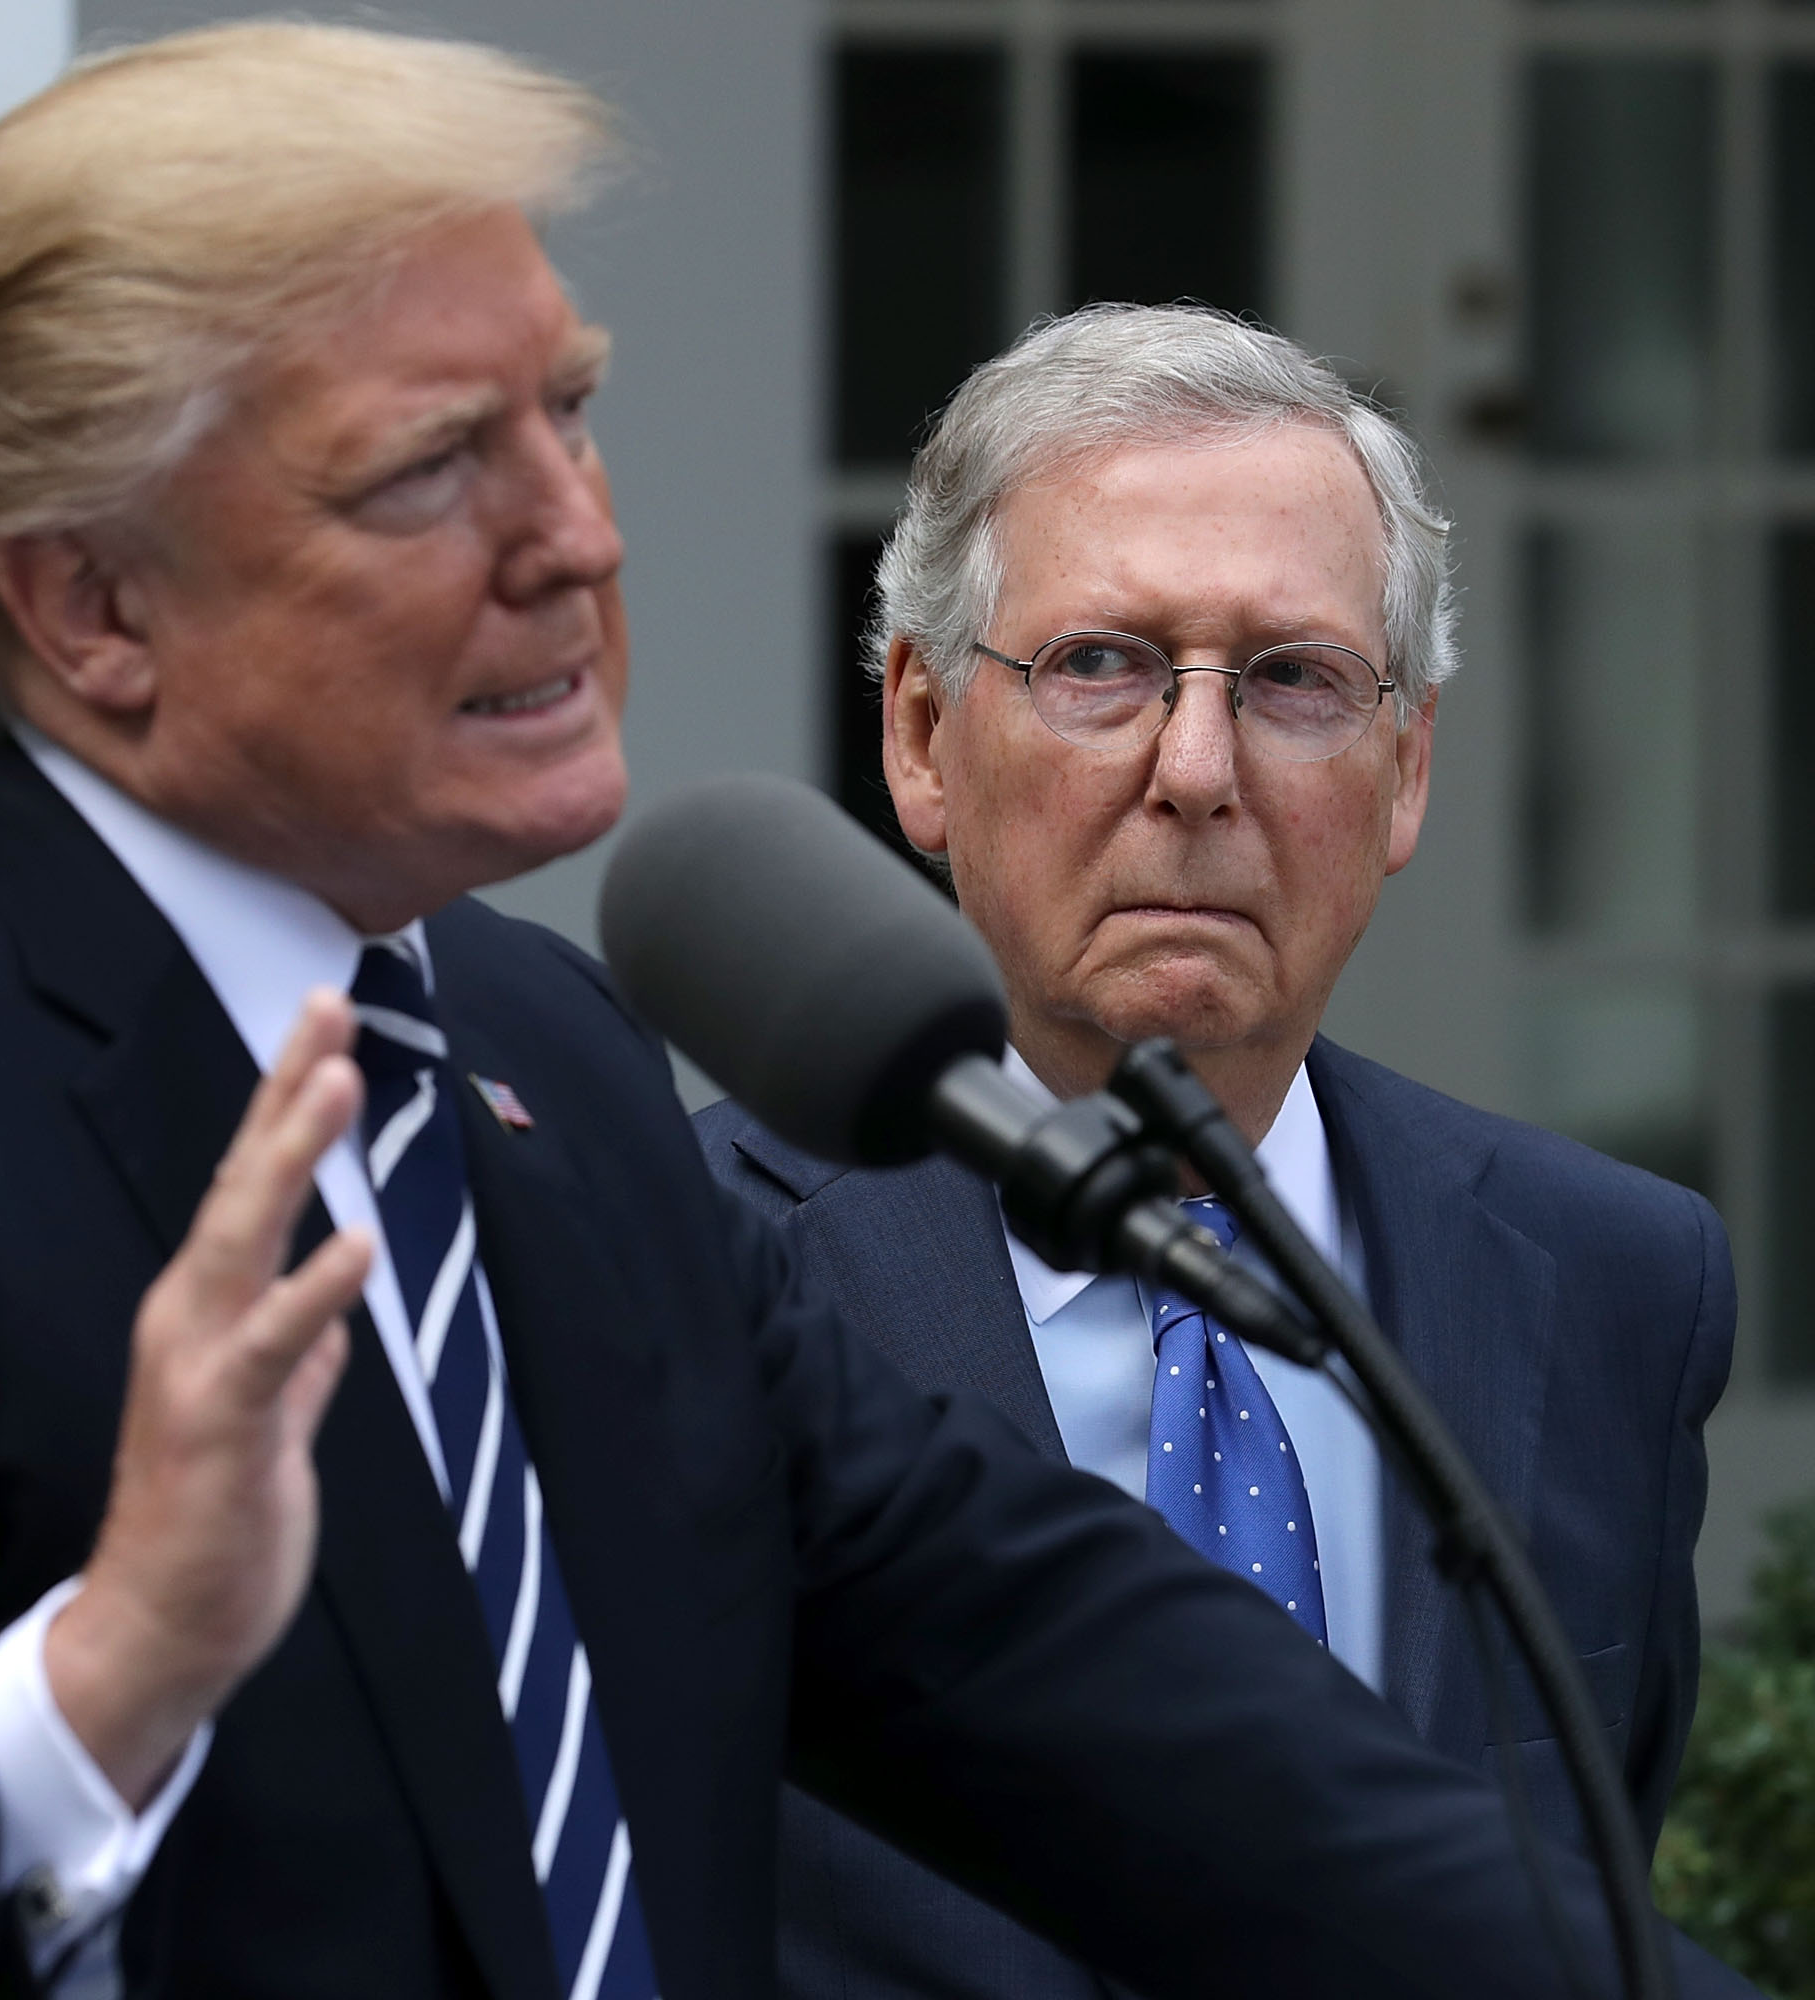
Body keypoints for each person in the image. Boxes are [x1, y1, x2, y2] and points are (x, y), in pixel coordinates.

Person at [0, 26, 1754, 2000]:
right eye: (433, 467)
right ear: (93, 603)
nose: (578, 534)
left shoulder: (535, 1060)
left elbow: (1071, 1676)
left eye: (571, 414)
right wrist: (86, 1696)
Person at [699, 303, 1738, 2000]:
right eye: (1102, 662)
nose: (1198, 769)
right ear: (919, 736)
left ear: (1406, 774)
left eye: (1294, 680)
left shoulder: (1615, 1283)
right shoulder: (686, 1272)